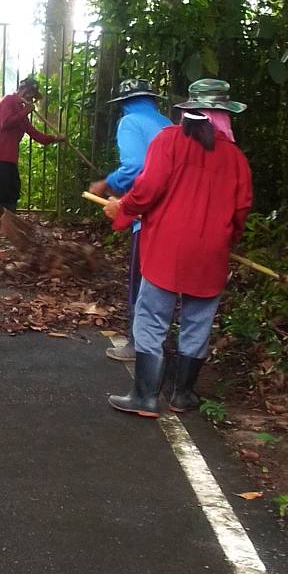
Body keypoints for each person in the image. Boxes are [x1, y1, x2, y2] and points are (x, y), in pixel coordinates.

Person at [103, 79, 252, 417]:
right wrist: (228, 238)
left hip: (167, 248)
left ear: (187, 112)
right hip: (211, 253)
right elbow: (241, 209)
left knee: (152, 316)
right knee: (198, 322)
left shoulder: (168, 141)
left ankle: (145, 397)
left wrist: (122, 209)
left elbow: (147, 189)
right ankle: (183, 395)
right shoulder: (236, 158)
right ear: (224, 116)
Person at [89, 78, 172, 362]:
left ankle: (138, 346)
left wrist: (107, 182)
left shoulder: (130, 122)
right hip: (176, 214)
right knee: (166, 283)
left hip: (147, 215)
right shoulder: (168, 124)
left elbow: (137, 167)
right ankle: (160, 343)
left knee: (141, 283)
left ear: (124, 103)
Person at [0, 76, 65, 229]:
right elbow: (5, 123)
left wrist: (56, 138)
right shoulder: (8, 101)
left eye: (34, 98)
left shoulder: (21, 112)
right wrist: (25, 111)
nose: (32, 100)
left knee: (13, 190)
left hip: (10, 159)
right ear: (24, 90)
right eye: (31, 95)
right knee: (1, 193)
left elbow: (34, 134)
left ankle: (9, 226)